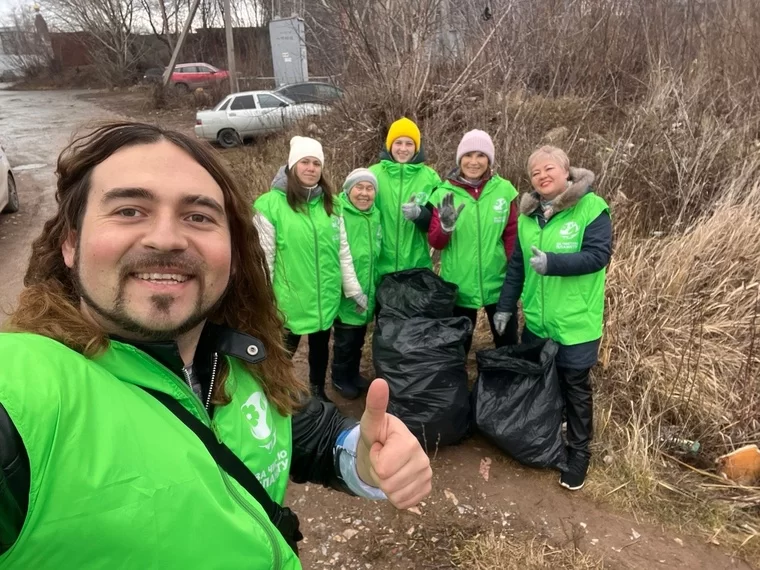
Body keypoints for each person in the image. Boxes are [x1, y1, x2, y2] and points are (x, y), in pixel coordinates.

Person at [0, 122, 432, 569]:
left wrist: (360, 455)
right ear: (71, 243)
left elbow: (307, 433)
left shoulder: (238, 359)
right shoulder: (20, 398)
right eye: (130, 210)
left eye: (199, 217)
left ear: (231, 249)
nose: (166, 238)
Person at [494, 145, 612, 491]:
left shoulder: (591, 208)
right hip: (537, 321)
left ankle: (578, 454)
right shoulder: (529, 214)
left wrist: (553, 263)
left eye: (549, 169)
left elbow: (597, 256)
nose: (543, 177)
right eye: (535, 173)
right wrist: (504, 307)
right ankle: (545, 440)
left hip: (576, 322)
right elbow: (517, 265)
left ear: (566, 171)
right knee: (544, 385)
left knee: (575, 389)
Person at [253, 136, 367, 401]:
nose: (311, 168)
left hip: (323, 298)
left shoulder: (331, 205)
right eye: (305, 161)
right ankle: (275, 394)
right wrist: (264, 301)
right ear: (293, 165)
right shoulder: (270, 205)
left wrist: (353, 289)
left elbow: (343, 252)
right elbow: (263, 259)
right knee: (282, 353)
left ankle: (317, 392)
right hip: (288, 300)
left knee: (319, 349)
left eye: (317, 163)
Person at [428, 130, 519, 353]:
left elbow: (512, 235)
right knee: (457, 348)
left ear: (489, 160)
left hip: (497, 282)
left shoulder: (504, 190)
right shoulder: (443, 193)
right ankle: (457, 385)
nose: (474, 162)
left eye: (481, 155)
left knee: (507, 345)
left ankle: (506, 384)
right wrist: (445, 227)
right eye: (468, 155)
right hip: (459, 282)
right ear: (460, 159)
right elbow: (436, 242)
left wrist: (515, 276)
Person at [331, 168, 382, 400]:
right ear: (348, 190)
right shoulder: (337, 213)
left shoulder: (376, 215)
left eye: (369, 188)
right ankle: (339, 377)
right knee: (345, 340)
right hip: (347, 292)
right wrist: (350, 289)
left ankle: (352, 373)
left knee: (359, 337)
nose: (364, 194)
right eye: (358, 188)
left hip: (368, 288)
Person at [370, 117, 441, 279]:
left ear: (416, 147)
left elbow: (436, 226)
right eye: (398, 143)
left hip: (416, 268)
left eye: (409, 143)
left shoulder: (430, 178)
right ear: (390, 145)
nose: (403, 148)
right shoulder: (373, 174)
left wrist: (420, 215)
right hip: (380, 268)